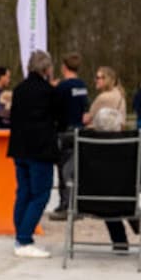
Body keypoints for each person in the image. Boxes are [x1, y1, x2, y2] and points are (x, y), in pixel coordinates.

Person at [77, 106, 141, 251]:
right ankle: (127, 223)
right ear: (119, 126)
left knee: (103, 188)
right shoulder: (132, 143)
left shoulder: (85, 143)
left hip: (90, 200)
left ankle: (120, 240)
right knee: (118, 187)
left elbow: (68, 173)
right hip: (126, 199)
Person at [7, 50, 62, 258]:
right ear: (46, 69)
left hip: (19, 149)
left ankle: (20, 235)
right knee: (40, 194)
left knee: (23, 192)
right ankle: (24, 239)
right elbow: (59, 117)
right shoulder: (49, 92)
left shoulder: (19, 90)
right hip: (40, 150)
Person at [50, 52, 89, 219]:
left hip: (64, 131)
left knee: (64, 169)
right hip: (79, 130)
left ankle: (65, 205)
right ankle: (77, 203)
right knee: (77, 169)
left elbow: (55, 108)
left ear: (64, 67)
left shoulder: (62, 87)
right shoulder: (82, 85)